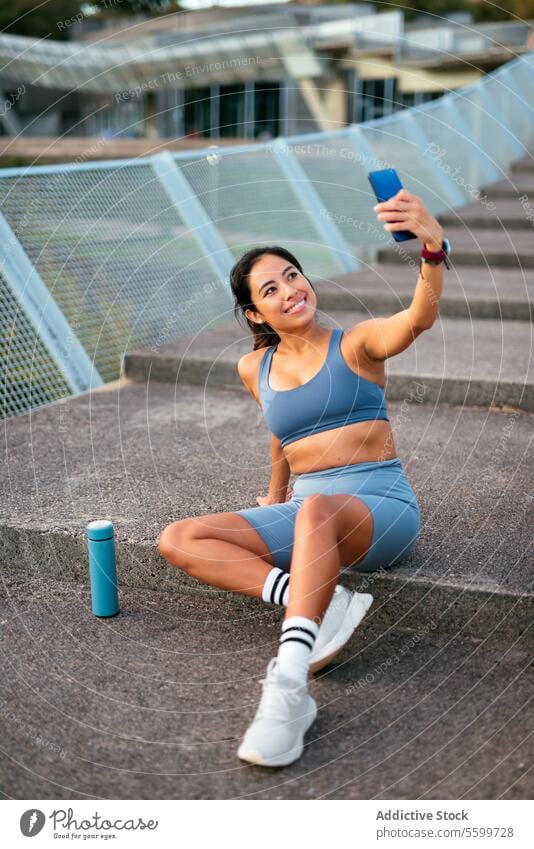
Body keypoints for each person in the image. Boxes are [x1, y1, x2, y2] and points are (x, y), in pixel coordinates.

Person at [158, 187, 448, 767]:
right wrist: (272, 495)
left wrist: (433, 248)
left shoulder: (358, 343)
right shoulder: (253, 366)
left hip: (378, 507)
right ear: (253, 314)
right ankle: (315, 596)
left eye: (293, 276)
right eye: (271, 289)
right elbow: (280, 433)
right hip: (310, 513)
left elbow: (419, 316)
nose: (290, 290)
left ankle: (288, 688)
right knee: (178, 538)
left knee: (317, 510)